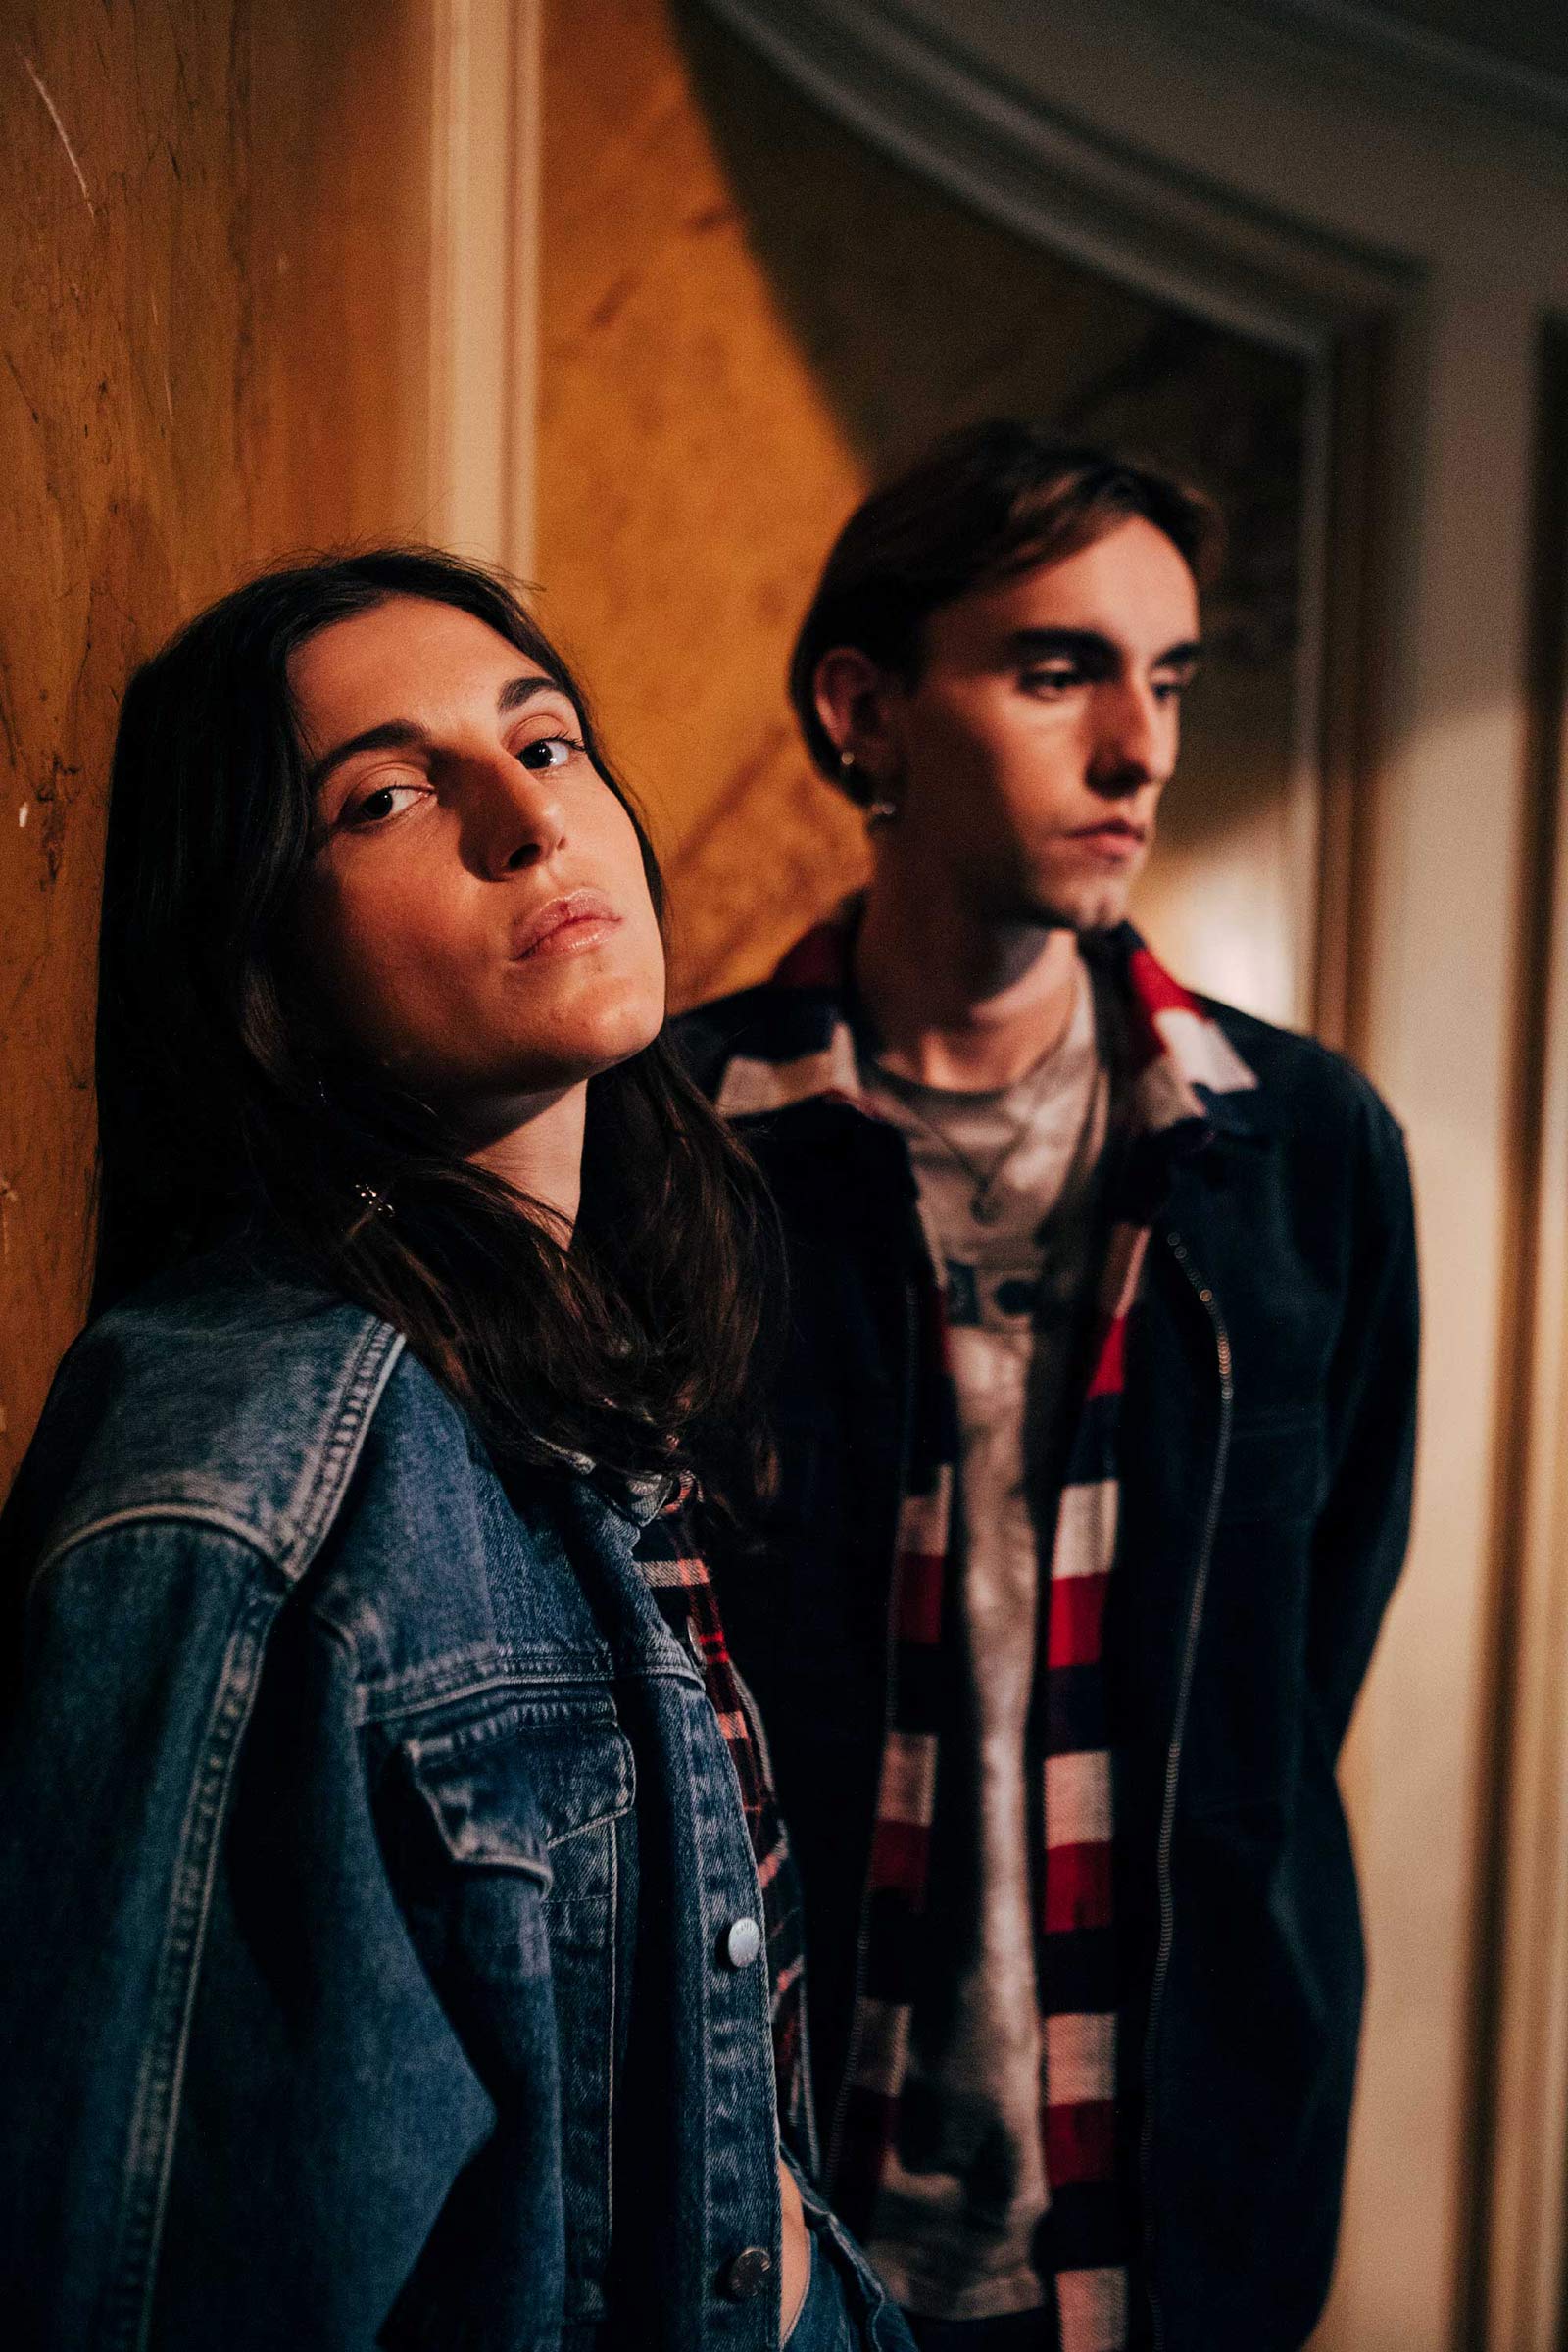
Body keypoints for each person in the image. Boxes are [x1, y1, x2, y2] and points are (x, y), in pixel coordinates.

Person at [0, 549, 919, 2352]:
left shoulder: (569, 1370)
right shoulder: (256, 1480)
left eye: (547, 742)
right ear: (261, 958)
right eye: (388, 797)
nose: (527, 820)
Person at [677, 422, 1419, 2352]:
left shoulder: (1302, 1152)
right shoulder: (676, 1147)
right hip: (773, 2206)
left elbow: (1296, 1670)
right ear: (864, 711)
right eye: (1057, 670)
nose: (1138, 748)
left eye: (1166, 678)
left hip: (1176, 2208)